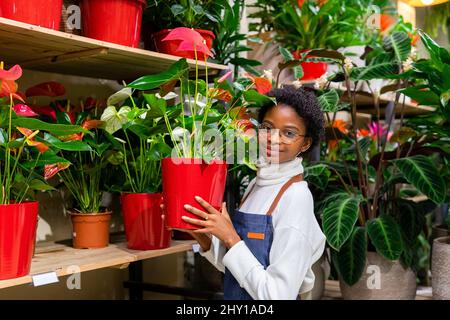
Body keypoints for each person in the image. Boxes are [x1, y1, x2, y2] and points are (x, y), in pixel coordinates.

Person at [163, 86, 326, 300]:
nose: (273, 139)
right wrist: (206, 240)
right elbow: (236, 270)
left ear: (305, 144)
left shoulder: (295, 198)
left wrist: (230, 237)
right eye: (267, 127)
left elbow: (277, 295)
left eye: (288, 133)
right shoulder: (255, 186)